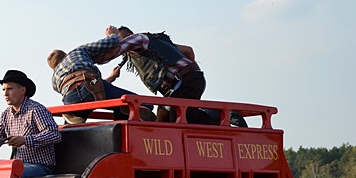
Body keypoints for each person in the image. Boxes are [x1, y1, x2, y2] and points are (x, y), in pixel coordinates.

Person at [106, 25, 246, 127]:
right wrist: (190, 68)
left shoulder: (139, 38)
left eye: (120, 39)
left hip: (186, 81)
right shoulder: (154, 43)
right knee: (163, 120)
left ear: (129, 35)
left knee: (178, 118)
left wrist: (111, 37)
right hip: (182, 84)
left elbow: (112, 51)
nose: (121, 45)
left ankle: (222, 115)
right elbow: (188, 50)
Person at [0, 69, 61, 178]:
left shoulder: (36, 109)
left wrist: (25, 140)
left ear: (22, 90)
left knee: (9, 173)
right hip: (18, 165)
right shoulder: (6, 114)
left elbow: (54, 135)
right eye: (3, 90)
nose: (5, 94)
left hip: (40, 166)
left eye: (10, 89)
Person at [47, 35, 155, 124]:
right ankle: (125, 114)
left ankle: (71, 114)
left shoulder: (54, 78)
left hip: (70, 98)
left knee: (72, 125)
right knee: (137, 102)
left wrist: (111, 77)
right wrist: (112, 34)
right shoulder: (75, 53)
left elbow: (77, 87)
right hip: (92, 85)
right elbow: (109, 42)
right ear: (65, 55)